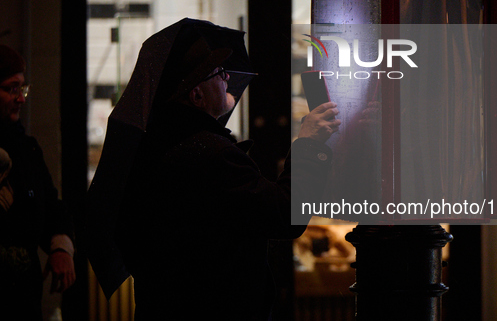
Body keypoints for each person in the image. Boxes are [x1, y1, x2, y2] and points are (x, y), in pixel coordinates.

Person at [86, 18, 340, 320]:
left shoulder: (161, 147)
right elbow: (285, 216)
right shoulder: (209, 155)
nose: (227, 77)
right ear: (196, 95)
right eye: (218, 73)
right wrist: (309, 143)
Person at [0, 45, 76, 320]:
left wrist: (60, 247)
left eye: (23, 88)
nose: (21, 99)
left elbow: (51, 207)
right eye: (11, 89)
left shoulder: (27, 149)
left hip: (23, 299)